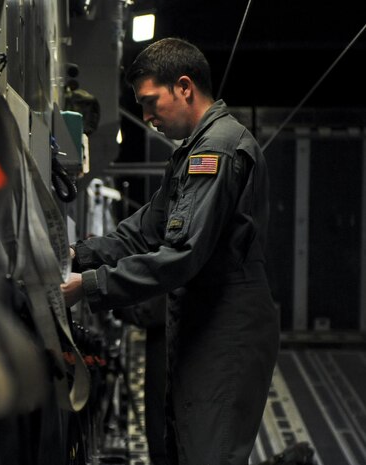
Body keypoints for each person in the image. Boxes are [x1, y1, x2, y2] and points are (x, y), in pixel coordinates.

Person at [61, 37, 280, 465]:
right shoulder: (191, 153)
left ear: (184, 87)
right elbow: (144, 232)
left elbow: (181, 255)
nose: (146, 117)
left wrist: (87, 286)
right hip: (201, 324)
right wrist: (76, 255)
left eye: (149, 102)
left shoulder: (217, 149)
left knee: (206, 453)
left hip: (225, 332)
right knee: (179, 448)